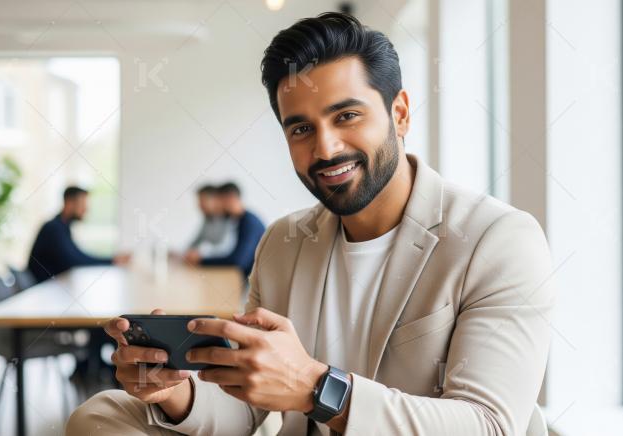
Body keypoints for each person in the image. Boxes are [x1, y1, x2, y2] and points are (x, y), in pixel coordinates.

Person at [67, 12, 556, 436]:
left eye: (346, 115)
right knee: (103, 413)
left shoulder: (498, 240)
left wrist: (316, 390)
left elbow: (489, 426)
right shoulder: (284, 240)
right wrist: (175, 394)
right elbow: (249, 408)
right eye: (300, 128)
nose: (325, 148)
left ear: (399, 113)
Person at [27, 186, 129, 283]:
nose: (85, 209)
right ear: (69, 203)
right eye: (83, 204)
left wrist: (112, 260)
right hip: (41, 290)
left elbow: (77, 255)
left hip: (52, 286)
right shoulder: (54, 228)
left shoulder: (63, 227)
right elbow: (75, 259)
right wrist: (112, 260)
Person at [184, 182, 265, 278]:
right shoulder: (239, 221)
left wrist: (200, 261)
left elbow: (237, 261)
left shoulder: (249, 222)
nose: (217, 207)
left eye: (219, 201)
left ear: (230, 199)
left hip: (256, 284)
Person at [182, 184, 236, 263]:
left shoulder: (230, 218)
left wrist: (200, 254)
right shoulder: (208, 219)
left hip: (225, 267)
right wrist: (184, 252)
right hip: (209, 265)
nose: (199, 205)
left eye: (202, 201)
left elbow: (226, 248)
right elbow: (196, 241)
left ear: (215, 200)